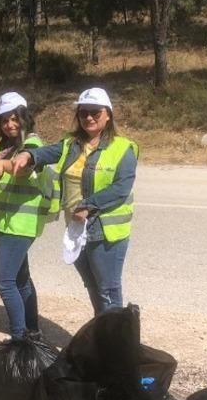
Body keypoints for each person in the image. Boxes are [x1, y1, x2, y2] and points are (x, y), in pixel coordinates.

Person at [11, 88, 138, 315]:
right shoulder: (72, 144)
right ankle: (102, 328)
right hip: (76, 228)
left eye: (95, 112)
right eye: (83, 112)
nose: (89, 117)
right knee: (92, 285)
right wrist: (29, 155)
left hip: (105, 231)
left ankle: (116, 335)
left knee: (108, 289)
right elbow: (48, 152)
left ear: (108, 115)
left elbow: (121, 188)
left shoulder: (123, 148)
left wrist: (88, 205)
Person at [0, 92, 56, 340]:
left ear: (25, 117)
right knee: (20, 278)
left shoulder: (32, 143)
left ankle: (19, 337)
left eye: (14, 118)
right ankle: (32, 331)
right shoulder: (4, 146)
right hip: (4, 221)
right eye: (4, 120)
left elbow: (23, 167)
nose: (9, 124)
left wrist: (1, 164)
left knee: (4, 281)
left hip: (20, 224)